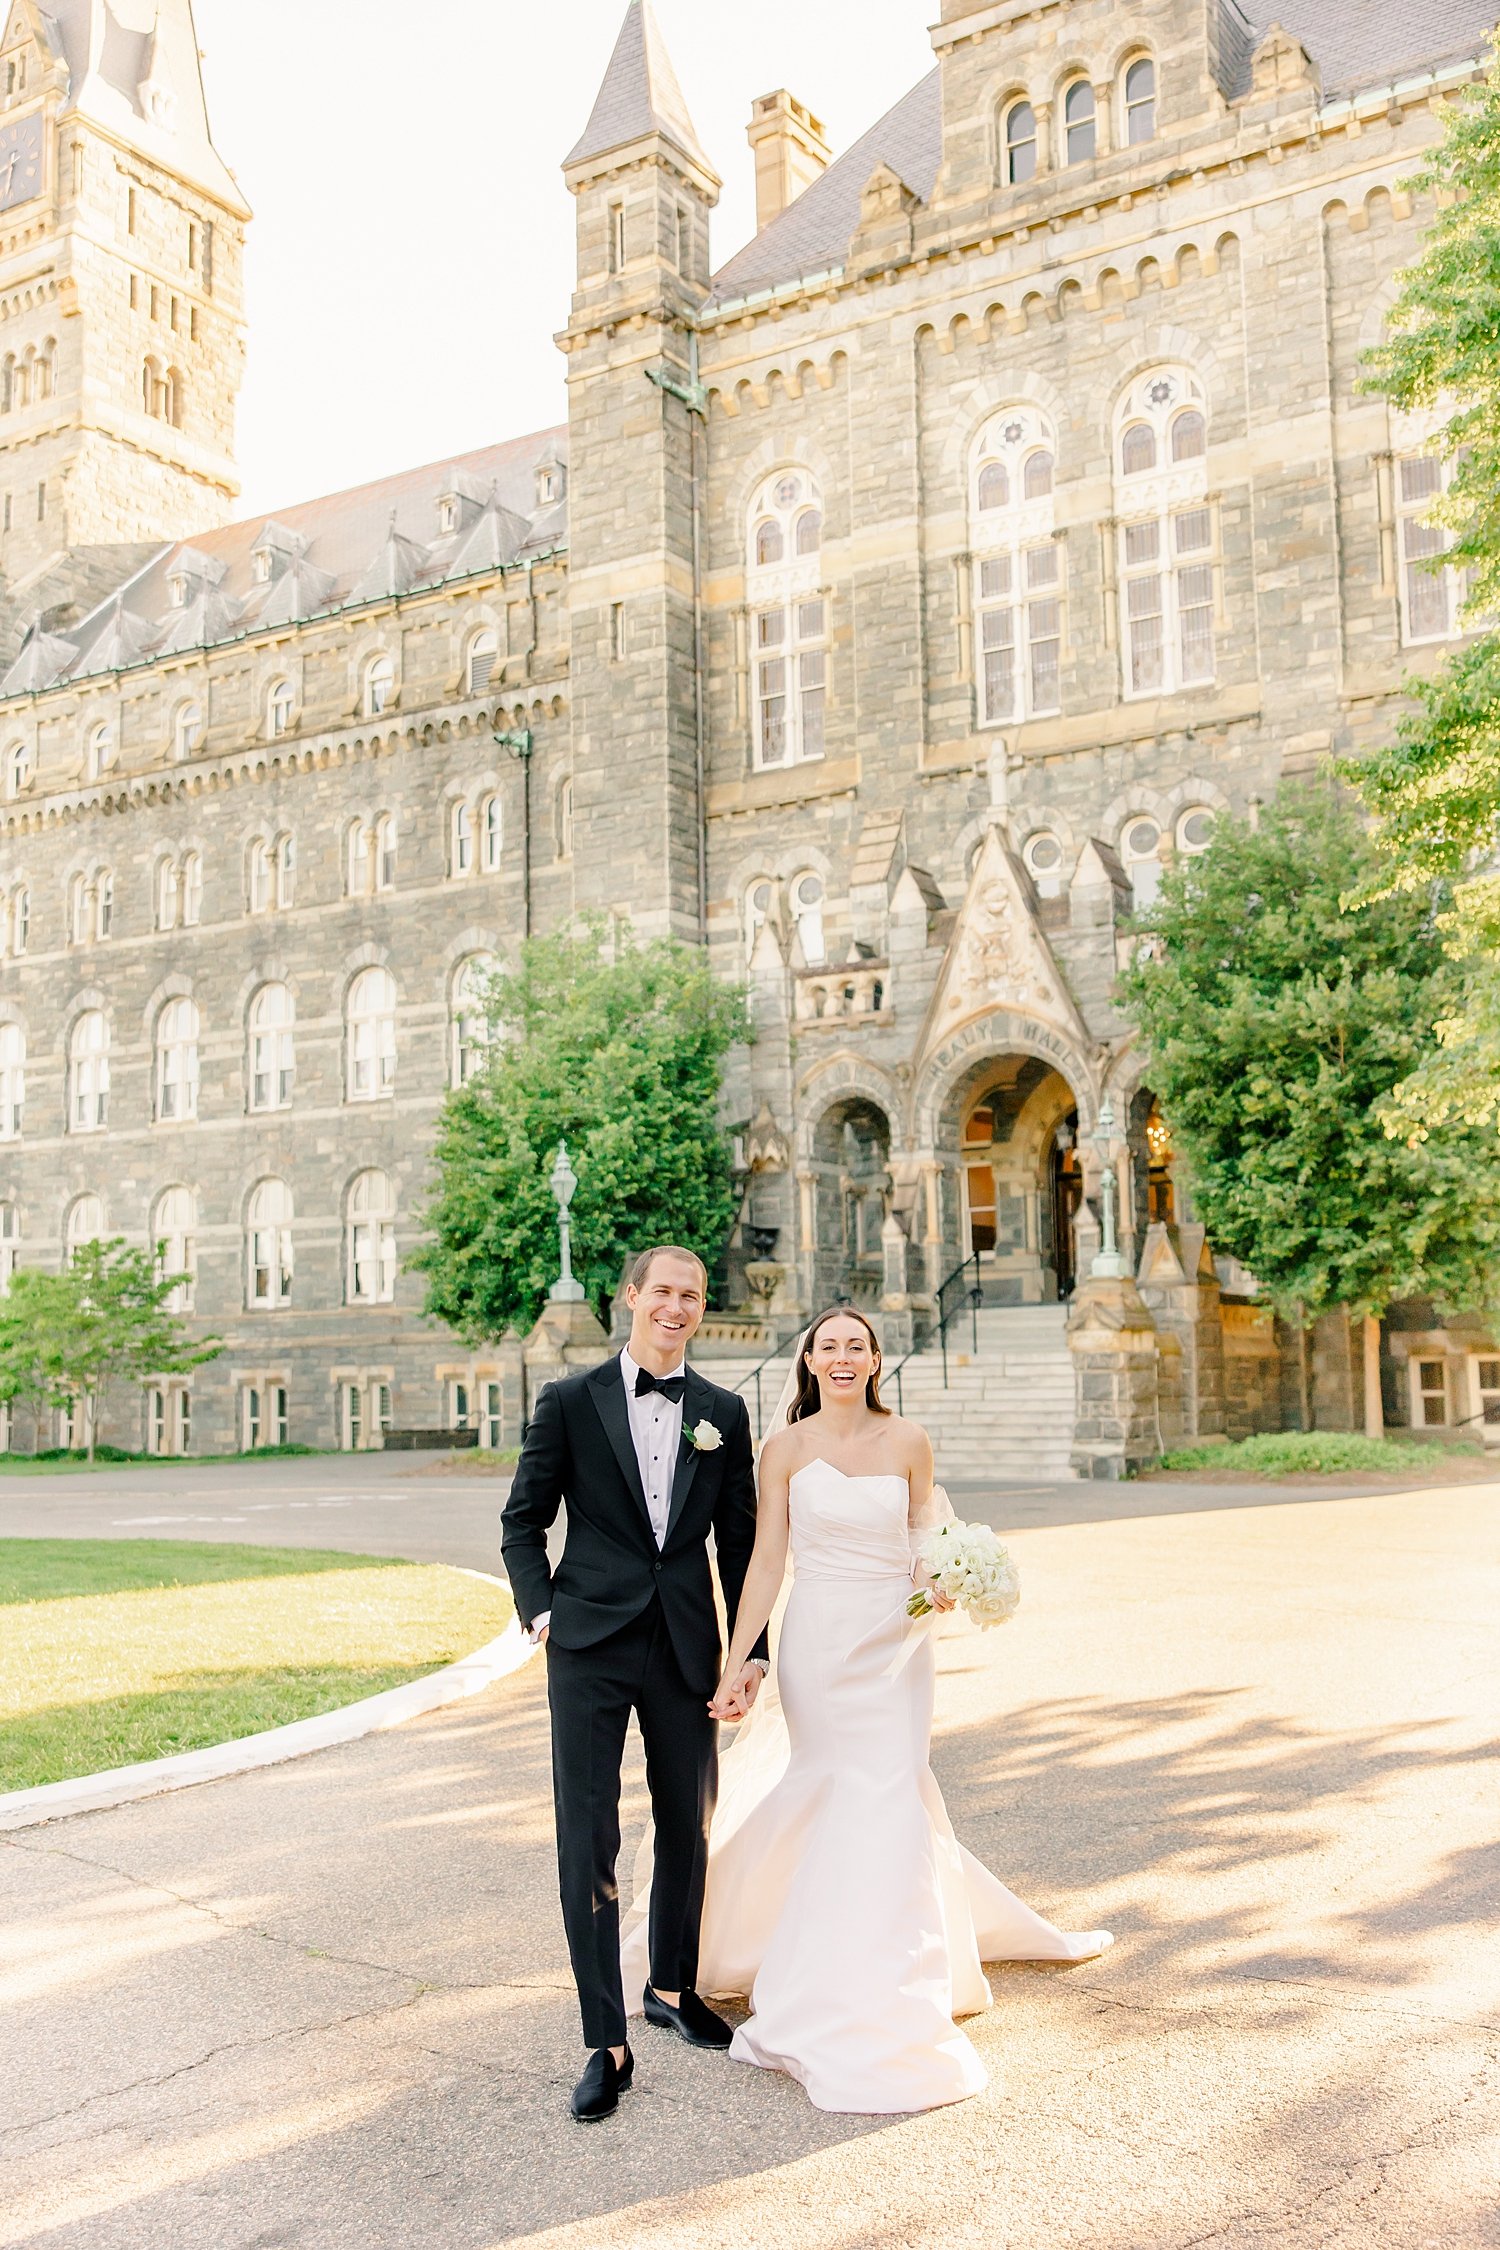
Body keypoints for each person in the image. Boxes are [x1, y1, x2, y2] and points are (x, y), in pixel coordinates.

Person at [693, 1303, 1113, 2115]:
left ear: (876, 1359)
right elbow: (767, 1559)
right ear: (810, 1362)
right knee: (828, 1784)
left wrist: (942, 1585)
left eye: (857, 1346)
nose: (843, 1359)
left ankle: (895, 1972)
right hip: (818, 1641)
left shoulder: (909, 1441)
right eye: (830, 1348)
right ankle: (804, 1957)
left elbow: (929, 1538)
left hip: (896, 1644)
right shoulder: (783, 1449)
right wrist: (742, 1655)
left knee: (891, 1787)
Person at [500, 1245, 769, 2124]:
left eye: (691, 1295)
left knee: (688, 1823)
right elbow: (522, 1523)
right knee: (588, 1837)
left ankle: (672, 1987)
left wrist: (749, 1653)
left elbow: (743, 1548)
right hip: (587, 1645)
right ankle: (604, 2041)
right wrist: (543, 1615)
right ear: (630, 1298)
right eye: (663, 1291)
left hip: (687, 1648)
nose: (677, 1306)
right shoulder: (570, 1402)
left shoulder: (723, 1412)